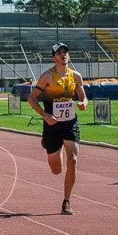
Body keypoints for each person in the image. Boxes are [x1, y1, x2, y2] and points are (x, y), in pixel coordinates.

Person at [27, 42, 88, 215]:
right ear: (54, 57)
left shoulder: (76, 76)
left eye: (65, 52)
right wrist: (45, 115)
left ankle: (66, 202)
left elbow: (83, 97)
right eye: (59, 53)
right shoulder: (48, 76)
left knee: (73, 160)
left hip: (70, 124)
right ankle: (48, 143)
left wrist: (83, 103)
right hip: (52, 126)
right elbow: (32, 98)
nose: (63, 55)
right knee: (56, 170)